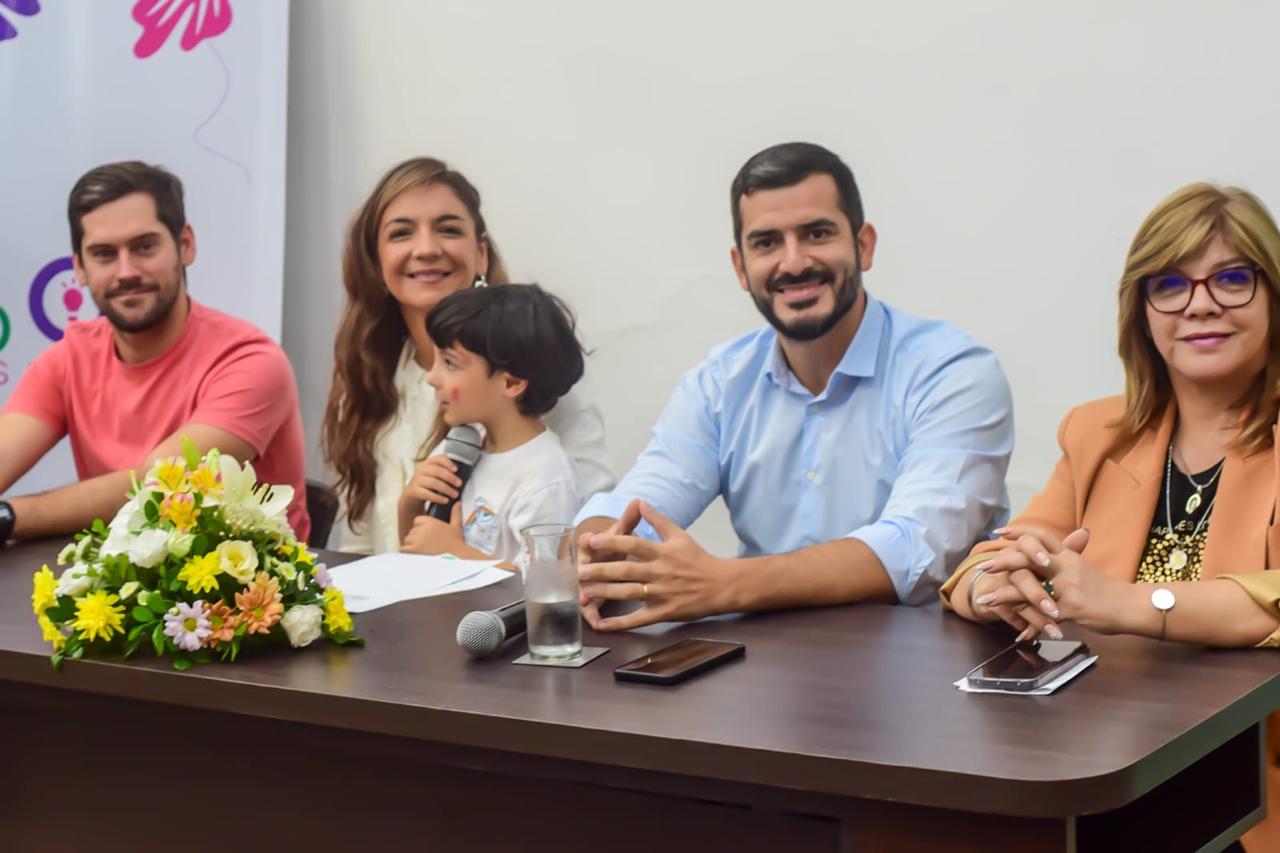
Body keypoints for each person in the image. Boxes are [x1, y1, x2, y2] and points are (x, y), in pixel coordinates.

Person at [938, 183, 1280, 853]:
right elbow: (991, 558)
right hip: (1101, 761)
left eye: (1232, 278)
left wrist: (1125, 602)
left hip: (1244, 791)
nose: (1200, 303)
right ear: (1141, 310)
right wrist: (996, 587)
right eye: (1170, 284)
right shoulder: (1098, 432)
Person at [574, 141, 1014, 631]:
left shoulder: (951, 371)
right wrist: (597, 549)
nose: (794, 262)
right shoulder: (720, 382)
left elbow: (913, 547)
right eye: (766, 243)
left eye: (817, 233)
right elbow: (634, 507)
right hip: (762, 668)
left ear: (863, 245)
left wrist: (723, 584)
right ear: (741, 268)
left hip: (922, 670)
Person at [0, 161, 309, 543]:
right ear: (79, 267)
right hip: (123, 586)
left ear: (185, 245)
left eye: (144, 247)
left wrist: (8, 516)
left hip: (252, 594)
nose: (126, 271)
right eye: (103, 254)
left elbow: (158, 484)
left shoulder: (251, 360)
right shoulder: (68, 359)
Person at [321, 157, 613, 554]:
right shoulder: (366, 367)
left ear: (481, 254)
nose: (426, 249)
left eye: (448, 230)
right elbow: (361, 534)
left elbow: (587, 521)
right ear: (375, 261)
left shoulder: (529, 356)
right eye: (402, 233)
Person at [399, 284, 585, 563]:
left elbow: (543, 584)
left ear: (511, 383)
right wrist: (410, 503)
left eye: (450, 364)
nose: (431, 377)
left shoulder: (546, 478)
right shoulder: (461, 446)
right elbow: (414, 552)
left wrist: (456, 553)